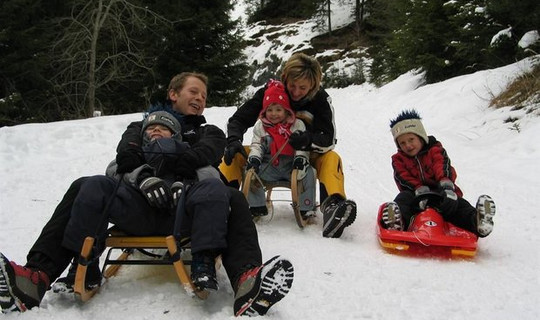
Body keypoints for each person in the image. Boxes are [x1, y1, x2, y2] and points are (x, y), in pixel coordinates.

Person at [0, 73, 294, 317]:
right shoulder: (139, 128)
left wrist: (182, 170)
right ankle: (37, 276)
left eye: (204, 96)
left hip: (190, 210)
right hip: (139, 208)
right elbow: (125, 156)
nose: (200, 99)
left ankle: (247, 280)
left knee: (231, 196)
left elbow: (209, 154)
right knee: (86, 185)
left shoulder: (209, 131)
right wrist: (144, 178)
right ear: (173, 94)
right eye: (194, 91)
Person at [220, 53, 356, 238]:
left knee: (332, 158)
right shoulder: (270, 93)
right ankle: (220, 203)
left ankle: (333, 206)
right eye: (292, 85)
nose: (296, 92)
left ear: (313, 85)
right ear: (285, 79)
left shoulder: (320, 99)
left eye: (303, 88)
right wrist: (234, 139)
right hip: (267, 152)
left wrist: (308, 139)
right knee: (234, 154)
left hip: (305, 154)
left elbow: (328, 138)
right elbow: (238, 119)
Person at [380, 109, 496, 238]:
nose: (408, 145)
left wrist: (446, 186)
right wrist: (418, 188)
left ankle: (477, 221)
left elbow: (442, 165)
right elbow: (402, 177)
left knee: (458, 205)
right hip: (415, 196)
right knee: (403, 199)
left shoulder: (435, 150)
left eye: (411, 139)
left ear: (421, 137)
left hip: (441, 193)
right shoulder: (398, 159)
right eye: (402, 143)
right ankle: (397, 221)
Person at [245, 79, 316, 218]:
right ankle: (257, 206)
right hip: (269, 167)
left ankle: (306, 207)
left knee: (310, 173)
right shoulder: (261, 127)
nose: (274, 114)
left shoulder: (297, 125)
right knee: (249, 172)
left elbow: (302, 146)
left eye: (278, 109)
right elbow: (257, 145)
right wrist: (254, 159)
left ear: (286, 110)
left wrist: (300, 159)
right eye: (269, 110)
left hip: (292, 168)